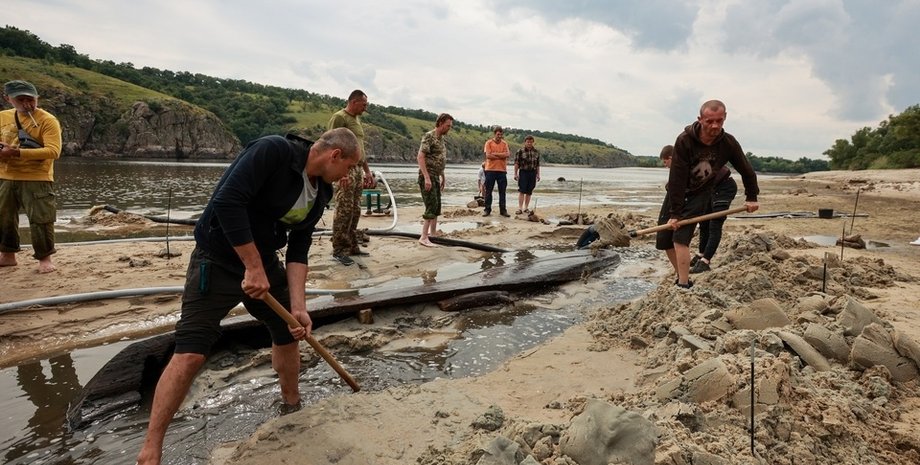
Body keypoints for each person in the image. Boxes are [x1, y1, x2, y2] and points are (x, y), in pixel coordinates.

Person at [135, 128, 360, 465]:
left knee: (289, 331)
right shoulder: (273, 152)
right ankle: (151, 449)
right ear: (335, 155)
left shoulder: (321, 192)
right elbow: (227, 201)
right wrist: (251, 267)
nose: (348, 176)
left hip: (266, 262)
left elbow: (299, 248)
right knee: (192, 352)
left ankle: (291, 406)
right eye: (349, 167)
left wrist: (299, 307)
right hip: (218, 259)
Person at [658, 100, 759, 288]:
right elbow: (677, 177)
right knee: (664, 239)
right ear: (700, 119)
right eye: (709, 121)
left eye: (719, 121)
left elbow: (746, 170)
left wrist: (751, 196)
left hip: (701, 193)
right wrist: (674, 213)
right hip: (677, 190)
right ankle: (681, 273)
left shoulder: (728, 142)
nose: (715, 126)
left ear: (725, 118)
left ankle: (683, 284)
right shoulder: (685, 140)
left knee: (680, 238)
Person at [0, 80, 63, 273]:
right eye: (21, 99)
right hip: (5, 175)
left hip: (38, 177)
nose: (27, 104)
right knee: (3, 217)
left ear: (37, 98)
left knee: (41, 218)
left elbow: (54, 151)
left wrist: (17, 153)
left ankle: (45, 258)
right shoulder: (2, 117)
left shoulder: (47, 120)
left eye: (31, 99)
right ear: (8, 99)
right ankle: (7, 255)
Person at [329, 90, 376, 267]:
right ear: (354, 102)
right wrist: (341, 173)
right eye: (364, 104)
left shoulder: (356, 119)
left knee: (355, 208)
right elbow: (331, 144)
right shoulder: (339, 117)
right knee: (344, 209)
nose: (365, 108)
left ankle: (352, 245)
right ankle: (339, 250)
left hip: (357, 169)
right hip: (345, 170)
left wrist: (367, 172)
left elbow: (360, 149)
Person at [690, 165, 738, 273]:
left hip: (725, 187)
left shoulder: (694, 161)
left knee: (715, 225)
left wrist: (751, 197)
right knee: (703, 222)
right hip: (712, 188)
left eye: (666, 162)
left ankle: (705, 262)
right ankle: (701, 254)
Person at [417, 113, 454, 247]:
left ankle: (433, 233)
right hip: (428, 176)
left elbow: (438, 159)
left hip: (436, 176)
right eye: (448, 126)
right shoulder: (429, 136)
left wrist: (442, 176)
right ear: (440, 123)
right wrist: (426, 177)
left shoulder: (441, 139)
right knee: (431, 205)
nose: (449, 128)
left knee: (437, 205)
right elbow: (420, 157)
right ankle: (423, 237)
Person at [482, 125, 511, 217]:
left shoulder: (504, 143)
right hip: (490, 170)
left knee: (502, 191)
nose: (499, 136)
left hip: (502, 170)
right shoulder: (488, 143)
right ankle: (487, 209)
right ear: (494, 134)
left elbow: (507, 154)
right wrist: (501, 155)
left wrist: (495, 154)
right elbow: (488, 156)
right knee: (488, 191)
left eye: (501, 134)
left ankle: (503, 210)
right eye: (498, 134)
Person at [513, 135, 541, 215]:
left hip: (533, 172)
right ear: (525, 142)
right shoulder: (520, 151)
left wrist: (538, 174)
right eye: (528, 142)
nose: (529, 143)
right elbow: (516, 163)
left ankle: (526, 208)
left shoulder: (536, 152)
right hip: (523, 172)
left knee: (529, 191)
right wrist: (515, 173)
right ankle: (520, 208)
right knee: (522, 190)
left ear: (533, 143)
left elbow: (538, 164)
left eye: (531, 142)